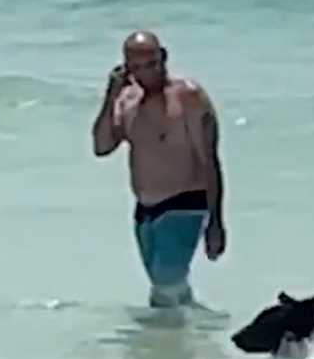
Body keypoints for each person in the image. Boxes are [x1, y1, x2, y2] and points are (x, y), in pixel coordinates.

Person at [91, 31, 226, 307]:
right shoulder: (127, 100)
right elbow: (102, 147)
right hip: (145, 211)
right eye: (136, 68)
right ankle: (200, 335)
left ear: (163, 57)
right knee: (167, 287)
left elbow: (209, 159)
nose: (145, 74)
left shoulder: (188, 96)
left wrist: (216, 221)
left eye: (151, 64)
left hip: (185, 203)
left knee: (165, 286)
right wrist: (110, 95)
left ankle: (160, 344)